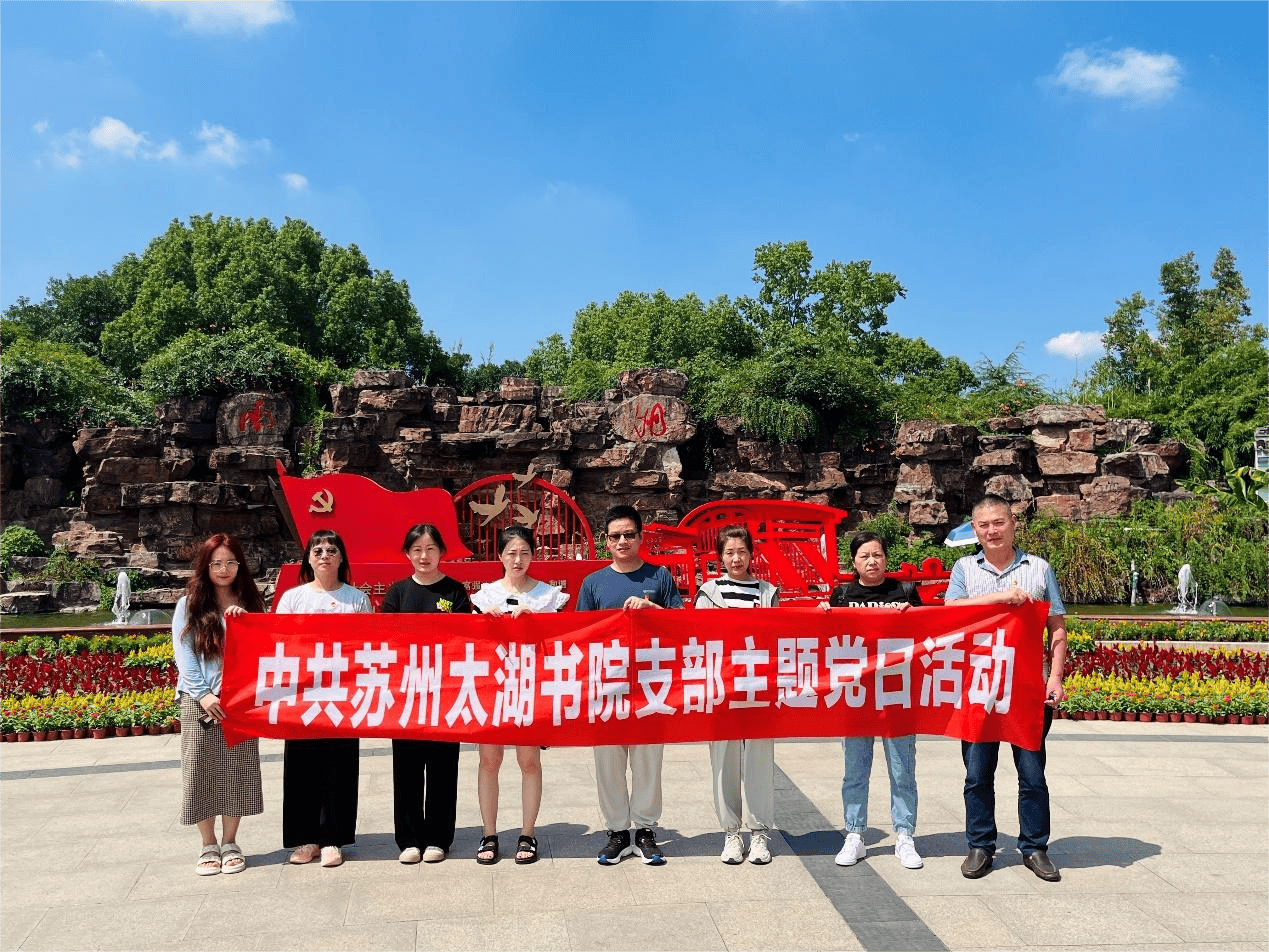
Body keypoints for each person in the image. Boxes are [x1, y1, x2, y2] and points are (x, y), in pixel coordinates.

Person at [945, 495, 1067, 883]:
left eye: (998, 522)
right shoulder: (964, 568)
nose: (992, 531)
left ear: (1014, 523)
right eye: (983, 525)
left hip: (1027, 689)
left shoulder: (1038, 568)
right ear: (974, 530)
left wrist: (1055, 677)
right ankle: (980, 845)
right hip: (978, 687)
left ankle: (1034, 847)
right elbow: (950, 613)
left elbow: (1057, 627)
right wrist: (998, 597)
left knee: (1032, 775)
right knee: (977, 774)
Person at [576, 504, 683, 866]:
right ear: (606, 542)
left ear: (640, 537)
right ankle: (618, 832)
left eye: (629, 534)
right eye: (615, 536)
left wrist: (655, 612)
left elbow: (684, 626)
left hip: (651, 683)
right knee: (608, 760)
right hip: (607, 684)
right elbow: (580, 634)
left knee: (648, 759)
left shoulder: (660, 576)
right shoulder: (593, 583)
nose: (622, 541)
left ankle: (646, 829)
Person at [819, 532, 924, 871]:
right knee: (855, 770)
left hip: (896, 694)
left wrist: (914, 613)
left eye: (877, 554)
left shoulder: (904, 591)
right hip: (858, 696)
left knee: (902, 770)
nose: (872, 561)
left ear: (885, 558)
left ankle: (905, 836)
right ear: (854, 562)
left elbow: (928, 635)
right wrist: (820, 613)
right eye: (864, 556)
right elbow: (825, 639)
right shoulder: (842, 595)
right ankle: (854, 834)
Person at [470, 525, 569, 865]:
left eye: (524, 553)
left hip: (530, 686)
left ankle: (527, 833)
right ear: (499, 556)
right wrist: (483, 621)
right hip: (492, 687)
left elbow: (561, 643)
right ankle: (489, 833)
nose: (517, 559)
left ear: (533, 556)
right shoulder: (484, 597)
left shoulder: (547, 596)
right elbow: (471, 644)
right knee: (489, 761)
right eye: (511, 553)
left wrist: (536, 620)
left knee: (528, 762)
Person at [275, 529, 371, 869]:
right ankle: (305, 838)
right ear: (308, 558)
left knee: (339, 766)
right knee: (301, 767)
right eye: (317, 550)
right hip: (302, 696)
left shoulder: (356, 599)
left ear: (341, 557)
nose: (325, 555)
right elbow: (278, 643)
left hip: (343, 695)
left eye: (331, 550)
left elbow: (368, 646)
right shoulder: (292, 599)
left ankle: (333, 838)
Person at [172, 533, 266, 876]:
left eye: (230, 563)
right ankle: (208, 844)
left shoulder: (250, 602)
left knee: (237, 771)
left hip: (239, 701)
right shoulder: (190, 604)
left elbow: (264, 650)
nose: (223, 569)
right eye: (216, 564)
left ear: (239, 565)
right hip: (199, 701)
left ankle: (230, 842)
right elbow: (184, 654)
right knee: (200, 770)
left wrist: (244, 623)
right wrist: (203, 694)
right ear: (205, 567)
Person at [381, 523, 473, 864]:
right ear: (407, 553)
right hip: (406, 693)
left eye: (431, 548)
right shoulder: (397, 593)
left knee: (442, 768)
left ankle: (438, 838)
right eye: (417, 549)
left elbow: (464, 640)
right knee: (406, 768)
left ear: (441, 552)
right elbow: (386, 641)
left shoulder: (455, 591)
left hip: (445, 693)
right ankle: (408, 839)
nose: (424, 556)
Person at [693, 524, 780, 865]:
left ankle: (759, 833)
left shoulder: (768, 592)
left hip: (758, 687)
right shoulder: (709, 592)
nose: (736, 558)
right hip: (722, 687)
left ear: (751, 554)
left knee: (759, 762)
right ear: (720, 556)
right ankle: (731, 833)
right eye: (729, 552)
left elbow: (781, 635)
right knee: (723, 762)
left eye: (742, 551)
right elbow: (698, 636)